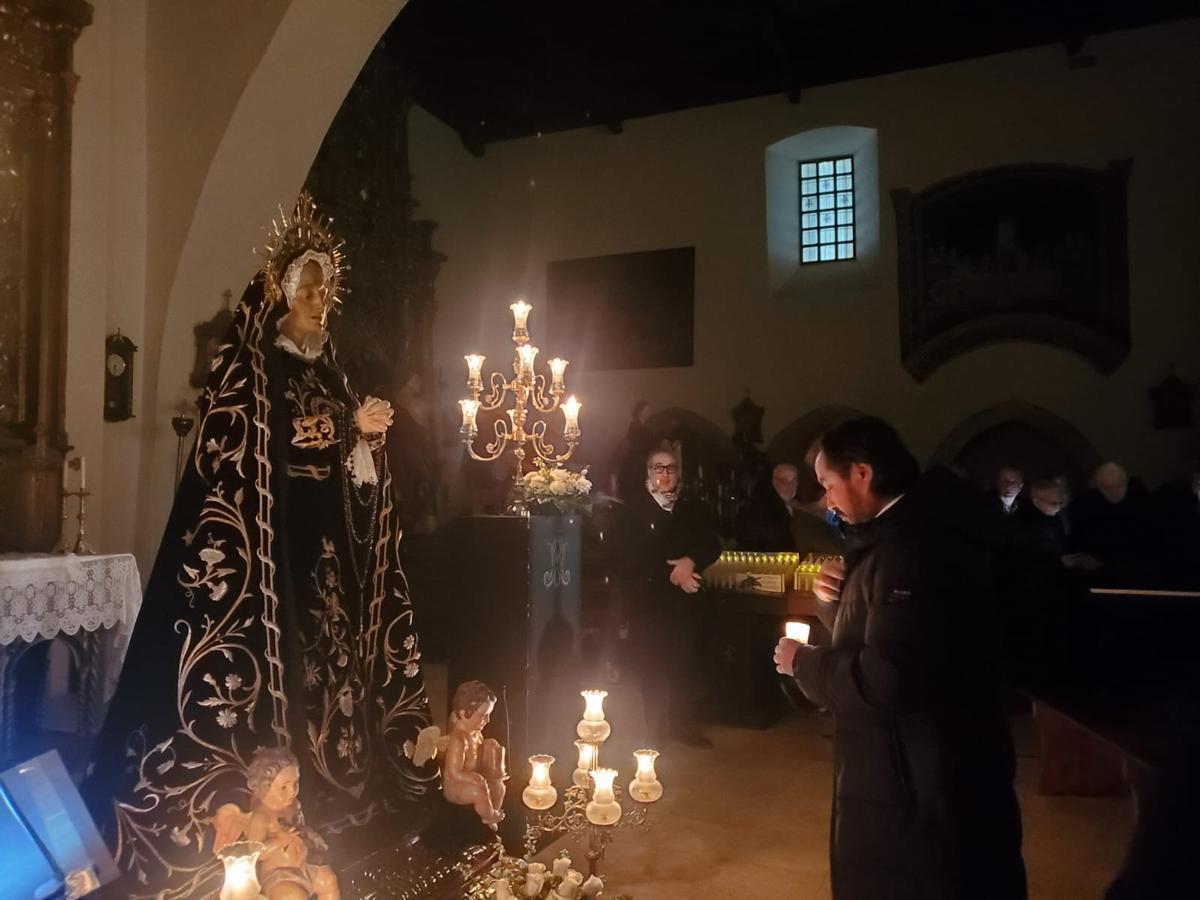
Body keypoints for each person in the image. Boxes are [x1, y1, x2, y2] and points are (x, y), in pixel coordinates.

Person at [84, 195, 436, 897]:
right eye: (309, 290)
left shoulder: (333, 374)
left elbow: (352, 477)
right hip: (269, 551)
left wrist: (366, 443)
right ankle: (264, 800)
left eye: (327, 292)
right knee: (280, 675)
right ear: (281, 294)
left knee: (331, 676)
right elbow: (243, 446)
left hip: (326, 550)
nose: (320, 302)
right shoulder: (256, 368)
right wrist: (342, 434)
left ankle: (330, 792)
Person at [773, 416, 1026, 900]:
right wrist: (833, 602)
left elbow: (887, 677)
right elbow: (894, 636)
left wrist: (803, 663)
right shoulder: (895, 537)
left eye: (828, 484)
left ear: (861, 474)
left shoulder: (916, 547)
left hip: (923, 786)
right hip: (912, 774)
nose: (827, 499)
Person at [616, 444, 720, 748]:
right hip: (648, 601)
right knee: (651, 666)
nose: (664, 474)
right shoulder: (632, 508)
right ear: (648, 472)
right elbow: (629, 557)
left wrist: (691, 561)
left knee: (682, 664)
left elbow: (712, 544)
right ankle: (652, 731)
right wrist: (675, 574)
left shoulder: (692, 505)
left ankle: (680, 724)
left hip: (683, 602)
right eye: (658, 468)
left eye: (670, 468)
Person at [441, 681, 507, 828]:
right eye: (483, 715)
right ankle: (488, 816)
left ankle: (492, 815)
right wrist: (475, 778)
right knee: (478, 793)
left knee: (499, 787)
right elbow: (454, 772)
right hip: (456, 785)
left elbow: (478, 756)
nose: (487, 720)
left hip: (476, 778)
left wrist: (489, 747)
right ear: (464, 713)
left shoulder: (477, 734)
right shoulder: (458, 739)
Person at [736, 463, 800, 550]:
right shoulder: (763, 510)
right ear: (774, 482)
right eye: (784, 481)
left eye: (794, 480)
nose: (790, 485)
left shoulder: (798, 507)